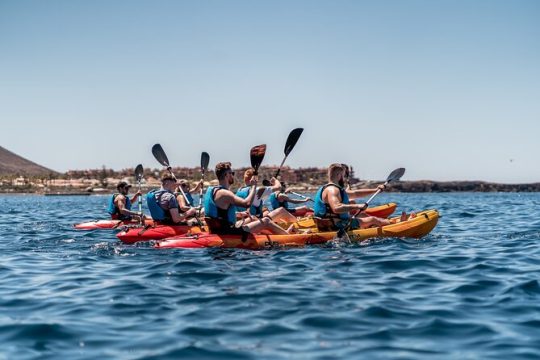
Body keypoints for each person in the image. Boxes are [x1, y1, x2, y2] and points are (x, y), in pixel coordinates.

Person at [203, 162, 295, 235]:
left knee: (254, 218)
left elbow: (220, 214)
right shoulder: (225, 193)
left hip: (219, 229)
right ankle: (287, 234)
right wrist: (254, 187)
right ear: (227, 175)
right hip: (228, 232)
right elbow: (246, 203)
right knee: (266, 221)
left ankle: (275, 233)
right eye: (232, 173)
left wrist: (239, 214)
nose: (233, 175)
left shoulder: (213, 190)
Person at [313, 163, 394, 231]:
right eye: (343, 176)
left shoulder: (327, 188)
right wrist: (357, 206)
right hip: (337, 226)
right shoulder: (333, 190)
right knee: (373, 219)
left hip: (326, 225)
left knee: (362, 215)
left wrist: (375, 190)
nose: (343, 178)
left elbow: (355, 193)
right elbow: (336, 208)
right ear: (339, 175)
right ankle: (394, 224)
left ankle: (384, 222)